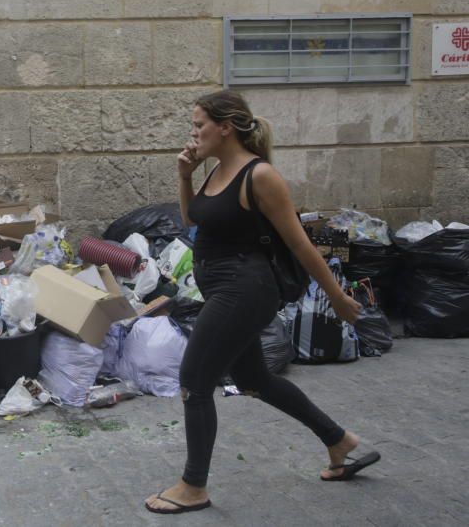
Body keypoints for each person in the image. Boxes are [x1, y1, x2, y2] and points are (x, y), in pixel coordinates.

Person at [144, 90, 380, 515]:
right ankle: (339, 441)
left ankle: (193, 486)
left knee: (194, 380)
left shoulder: (260, 176)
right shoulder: (215, 170)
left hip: (244, 287)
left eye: (199, 125)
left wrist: (338, 297)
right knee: (254, 379)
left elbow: (301, 244)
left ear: (225, 127)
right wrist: (184, 176)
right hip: (222, 287)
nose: (192, 132)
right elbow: (193, 222)